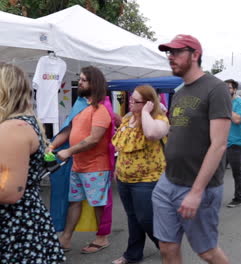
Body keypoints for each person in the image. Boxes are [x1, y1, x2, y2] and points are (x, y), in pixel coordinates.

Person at [153, 34, 231, 263]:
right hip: (168, 182)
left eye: (177, 52)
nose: (171, 57)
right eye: (169, 53)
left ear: (195, 55)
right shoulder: (178, 93)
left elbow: (219, 145)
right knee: (167, 247)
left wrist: (196, 192)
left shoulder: (215, 88)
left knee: (207, 252)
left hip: (200, 188)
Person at [0, 63, 66, 263]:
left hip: (14, 225)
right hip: (23, 221)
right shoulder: (21, 122)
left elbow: (8, 192)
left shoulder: (14, 127)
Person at [49, 66, 113, 253]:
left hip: (96, 167)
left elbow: (94, 139)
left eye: (84, 80)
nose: (80, 83)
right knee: (74, 202)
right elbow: (69, 130)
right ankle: (66, 239)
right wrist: (52, 146)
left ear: (94, 83)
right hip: (79, 165)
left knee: (98, 203)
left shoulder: (101, 109)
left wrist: (68, 151)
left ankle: (102, 238)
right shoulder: (81, 104)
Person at [111, 85, 169, 264]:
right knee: (133, 217)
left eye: (135, 101)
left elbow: (151, 133)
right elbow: (123, 148)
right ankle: (133, 254)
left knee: (146, 218)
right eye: (130, 99)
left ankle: (167, 247)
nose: (130, 103)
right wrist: (117, 169)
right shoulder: (128, 118)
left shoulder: (159, 119)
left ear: (149, 103)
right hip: (124, 178)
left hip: (147, 180)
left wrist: (145, 112)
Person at [224, 79, 241, 208]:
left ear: (234, 89)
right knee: (216, 172)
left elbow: (237, 119)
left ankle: (239, 197)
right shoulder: (222, 102)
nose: (226, 90)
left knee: (236, 172)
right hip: (222, 143)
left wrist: (226, 105)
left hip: (236, 144)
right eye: (225, 88)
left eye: (229, 88)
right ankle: (212, 197)